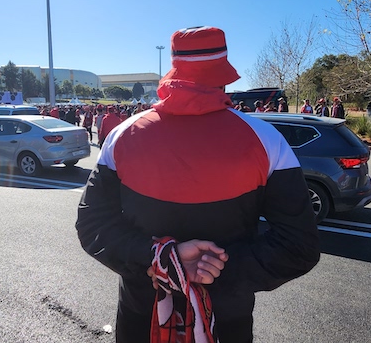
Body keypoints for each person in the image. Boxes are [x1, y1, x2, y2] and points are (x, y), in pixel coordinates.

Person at [76, 26, 320, 343]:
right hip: (225, 321)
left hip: (142, 318)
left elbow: (92, 226)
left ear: (173, 71)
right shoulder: (267, 141)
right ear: (223, 77)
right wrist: (218, 270)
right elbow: (299, 246)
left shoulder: (123, 136)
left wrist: (161, 259)